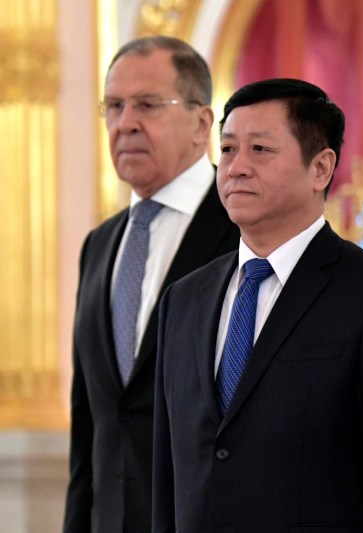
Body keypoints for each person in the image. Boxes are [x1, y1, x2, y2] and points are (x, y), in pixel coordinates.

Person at [152, 78, 363, 531]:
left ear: (321, 168)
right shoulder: (184, 300)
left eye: (260, 150)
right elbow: (169, 479)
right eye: (227, 150)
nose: (236, 167)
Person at [63, 36, 239, 533]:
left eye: (147, 105)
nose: (125, 124)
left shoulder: (243, 232)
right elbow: (93, 426)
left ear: (203, 124)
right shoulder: (99, 245)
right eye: (114, 106)